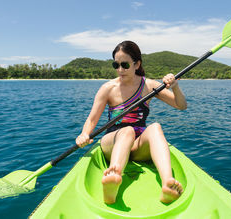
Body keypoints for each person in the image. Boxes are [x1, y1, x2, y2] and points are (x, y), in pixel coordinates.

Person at [76, 40, 187, 205]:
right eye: (116, 65)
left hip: (137, 145)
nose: (120, 70)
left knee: (155, 127)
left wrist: (175, 87)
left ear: (137, 64)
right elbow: (92, 119)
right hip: (113, 142)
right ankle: (114, 177)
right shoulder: (108, 88)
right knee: (126, 130)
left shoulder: (149, 86)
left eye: (125, 65)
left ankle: (167, 183)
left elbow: (181, 106)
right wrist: (84, 134)